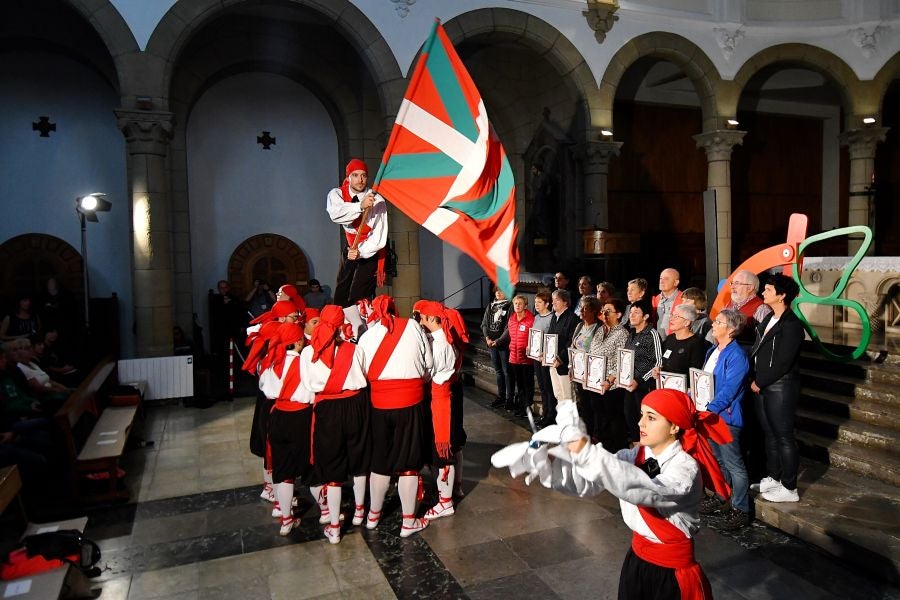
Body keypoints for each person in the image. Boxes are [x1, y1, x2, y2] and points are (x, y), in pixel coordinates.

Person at [491, 389, 732, 600]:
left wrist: (583, 450)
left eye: (651, 417)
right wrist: (551, 462)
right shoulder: (635, 456)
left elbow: (646, 490)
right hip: (637, 561)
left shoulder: (685, 468)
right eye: (641, 415)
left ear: (674, 426)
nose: (640, 424)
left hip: (671, 574)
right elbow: (593, 479)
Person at [357, 295, 433, 538]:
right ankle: (408, 521)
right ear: (394, 309)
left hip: (379, 405)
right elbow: (428, 364)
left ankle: (373, 515)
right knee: (409, 463)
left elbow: (361, 373)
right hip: (410, 403)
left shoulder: (367, 336)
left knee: (380, 461)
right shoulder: (412, 326)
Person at [299, 305, 371, 544]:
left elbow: (308, 385)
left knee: (331, 466)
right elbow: (364, 374)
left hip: (327, 408)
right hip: (355, 404)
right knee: (359, 459)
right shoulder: (354, 349)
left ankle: (334, 526)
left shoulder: (308, 354)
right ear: (342, 324)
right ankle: (360, 511)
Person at [750, 274, 805, 503]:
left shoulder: (792, 325)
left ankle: (790, 487)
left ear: (782, 296)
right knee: (770, 434)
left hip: (781, 386)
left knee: (784, 436)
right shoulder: (770, 317)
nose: (764, 293)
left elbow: (783, 362)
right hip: (764, 384)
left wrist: (760, 381)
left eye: (769, 290)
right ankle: (774, 476)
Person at [257, 321, 313, 536]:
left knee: (282, 470)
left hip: (278, 415)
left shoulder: (272, 362)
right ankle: (328, 511)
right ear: (298, 341)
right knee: (310, 467)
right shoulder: (305, 362)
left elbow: (264, 388)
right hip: (301, 416)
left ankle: (286, 518)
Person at [702, 309, 752, 530]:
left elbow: (729, 390)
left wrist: (710, 408)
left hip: (726, 417)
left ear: (730, 330)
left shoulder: (737, 356)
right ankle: (722, 498)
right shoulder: (713, 350)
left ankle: (741, 509)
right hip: (709, 415)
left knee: (734, 464)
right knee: (719, 461)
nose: (713, 324)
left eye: (718, 322)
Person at [327, 158, 388, 307]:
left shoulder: (377, 199)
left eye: (364, 175)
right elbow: (336, 214)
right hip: (350, 248)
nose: (360, 180)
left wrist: (360, 252)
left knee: (358, 294)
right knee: (341, 290)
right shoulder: (337, 194)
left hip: (369, 251)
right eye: (355, 175)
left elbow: (379, 236)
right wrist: (359, 206)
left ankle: (360, 326)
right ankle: (340, 323)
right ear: (348, 177)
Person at [617, 299, 663, 446]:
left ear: (646, 316)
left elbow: (657, 363)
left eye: (636, 312)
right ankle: (637, 450)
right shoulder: (631, 334)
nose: (632, 315)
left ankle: (647, 452)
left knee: (644, 420)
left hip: (644, 387)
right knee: (630, 418)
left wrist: (639, 380)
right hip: (628, 385)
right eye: (630, 312)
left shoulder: (652, 334)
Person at [588, 298, 631, 451]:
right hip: (595, 382)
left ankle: (616, 451)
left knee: (614, 419)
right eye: (603, 310)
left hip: (611, 386)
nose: (604, 313)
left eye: (609, 310)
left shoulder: (622, 333)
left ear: (618, 314)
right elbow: (593, 351)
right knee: (599, 417)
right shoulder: (600, 330)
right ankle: (602, 446)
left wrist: (610, 380)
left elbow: (621, 360)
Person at [651, 304, 708, 381]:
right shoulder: (670, 339)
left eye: (676, 317)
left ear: (687, 322)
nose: (671, 319)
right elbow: (664, 363)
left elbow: (695, 374)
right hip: (666, 385)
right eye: (672, 315)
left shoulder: (696, 344)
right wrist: (658, 370)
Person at [719, 270, 771, 346]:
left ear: (750, 288)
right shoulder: (729, 304)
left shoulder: (761, 309)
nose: (732, 287)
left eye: (737, 283)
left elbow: (767, 338)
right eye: (732, 283)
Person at [481, 287, 512, 408]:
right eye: (497, 291)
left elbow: (509, 326)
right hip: (491, 344)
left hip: (503, 344)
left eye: (502, 290)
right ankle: (501, 396)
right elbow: (484, 324)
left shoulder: (510, 306)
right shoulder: (491, 306)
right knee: (498, 371)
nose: (498, 292)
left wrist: (498, 341)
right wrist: (487, 338)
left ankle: (509, 398)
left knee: (506, 372)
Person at [547, 289, 579, 408]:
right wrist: (545, 353)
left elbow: (572, 342)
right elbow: (550, 338)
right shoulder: (554, 317)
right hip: (552, 362)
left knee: (568, 396)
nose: (553, 302)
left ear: (565, 302)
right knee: (558, 394)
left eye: (557, 300)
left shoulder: (572, 318)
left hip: (564, 364)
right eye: (552, 300)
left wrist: (560, 358)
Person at [506, 295, 535, 417]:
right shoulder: (512, 318)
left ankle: (528, 408)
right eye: (515, 303)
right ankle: (522, 406)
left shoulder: (531, 319)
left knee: (527, 385)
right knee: (520, 385)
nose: (517, 306)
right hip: (514, 357)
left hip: (526, 359)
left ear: (525, 306)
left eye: (520, 303)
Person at [532, 291, 557, 427]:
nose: (536, 304)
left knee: (548, 387)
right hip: (537, 357)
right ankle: (545, 413)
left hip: (547, 358)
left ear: (547, 304)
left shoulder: (551, 318)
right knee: (542, 386)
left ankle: (551, 415)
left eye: (539, 302)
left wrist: (545, 352)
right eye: (535, 302)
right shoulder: (536, 317)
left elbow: (552, 339)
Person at [652, 268, 683, 341]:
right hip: (657, 344)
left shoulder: (684, 300)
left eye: (666, 279)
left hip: (676, 343)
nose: (661, 281)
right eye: (660, 278)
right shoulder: (655, 300)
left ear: (676, 282)